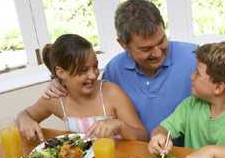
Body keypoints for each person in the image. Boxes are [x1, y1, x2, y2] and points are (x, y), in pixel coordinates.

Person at [43, 0, 225, 141]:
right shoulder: (114, 69)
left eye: (162, 40)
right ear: (124, 45)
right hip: (143, 152)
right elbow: (92, 90)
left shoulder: (194, 56)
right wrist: (59, 83)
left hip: (187, 150)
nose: (158, 52)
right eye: (146, 48)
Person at [17, 34, 147, 142]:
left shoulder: (111, 93)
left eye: (95, 66)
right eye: (83, 70)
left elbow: (143, 137)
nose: (93, 74)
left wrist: (120, 125)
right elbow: (25, 115)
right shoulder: (57, 98)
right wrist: (24, 119)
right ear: (61, 72)